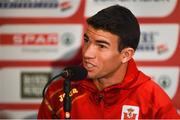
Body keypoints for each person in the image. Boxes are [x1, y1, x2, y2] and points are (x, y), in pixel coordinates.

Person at [37, 5, 180, 119]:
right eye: (87, 41)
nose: (87, 53)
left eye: (101, 46)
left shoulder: (153, 100)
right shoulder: (57, 92)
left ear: (125, 55)